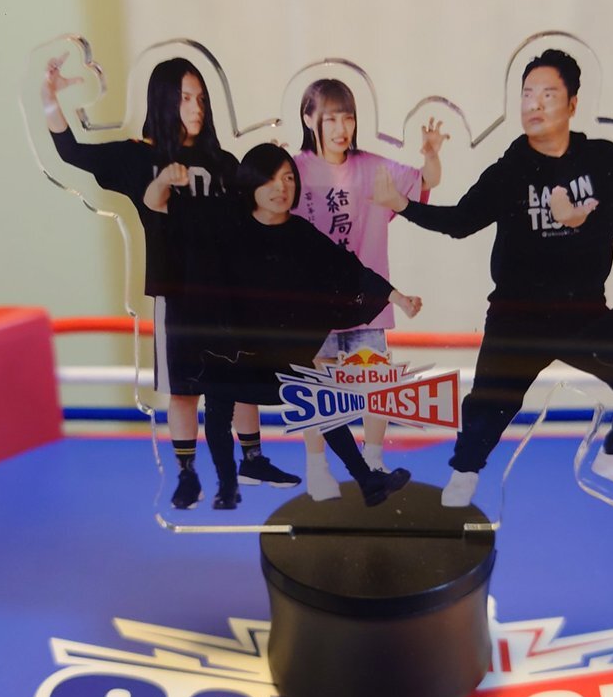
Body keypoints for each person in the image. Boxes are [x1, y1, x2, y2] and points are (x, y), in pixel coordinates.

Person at [373, 49, 613, 507]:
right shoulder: (511, 169)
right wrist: (403, 206)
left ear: (573, 103)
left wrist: (581, 219)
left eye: (548, 95)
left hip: (584, 312)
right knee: (490, 404)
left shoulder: (602, 156)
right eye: (527, 94)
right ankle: (464, 473)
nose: (534, 104)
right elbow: (461, 221)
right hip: (518, 315)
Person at [41, 53, 299, 509]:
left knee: (242, 381)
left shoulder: (224, 162)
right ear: (163, 99)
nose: (196, 108)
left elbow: (255, 215)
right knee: (184, 389)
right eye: (184, 98)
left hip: (230, 292)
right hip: (177, 291)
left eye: (201, 98)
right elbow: (72, 152)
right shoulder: (138, 156)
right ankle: (186, 474)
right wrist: (49, 98)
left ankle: (253, 458)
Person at [146, 143, 423, 510]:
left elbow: (349, 269)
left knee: (322, 402)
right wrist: (164, 180)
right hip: (231, 354)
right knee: (218, 405)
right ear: (251, 184)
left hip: (278, 356)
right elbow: (156, 204)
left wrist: (396, 297)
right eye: (271, 179)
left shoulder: (302, 234)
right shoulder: (225, 223)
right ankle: (227, 487)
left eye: (289, 178)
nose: (282, 187)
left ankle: (368, 480)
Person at [293, 79, 449, 500]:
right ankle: (317, 469)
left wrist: (431, 155)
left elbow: (425, 181)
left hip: (367, 301)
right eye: (330, 119)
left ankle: (375, 460)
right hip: (314, 306)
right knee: (319, 388)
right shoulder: (295, 170)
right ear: (309, 119)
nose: (341, 128)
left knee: (375, 383)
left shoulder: (372, 168)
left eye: (348, 118)